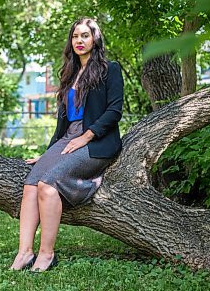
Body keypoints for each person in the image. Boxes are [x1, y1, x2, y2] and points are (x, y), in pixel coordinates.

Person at [9, 17, 124, 272]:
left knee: (48, 185)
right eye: (75, 36)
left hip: (97, 142)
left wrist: (87, 135)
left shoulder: (110, 69)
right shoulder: (69, 73)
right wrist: (48, 153)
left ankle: (47, 254)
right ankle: (25, 252)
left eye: (84, 35)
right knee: (30, 184)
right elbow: (62, 125)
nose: (79, 41)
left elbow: (115, 110)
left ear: (95, 38)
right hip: (67, 139)